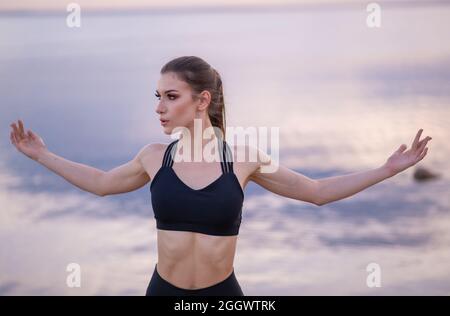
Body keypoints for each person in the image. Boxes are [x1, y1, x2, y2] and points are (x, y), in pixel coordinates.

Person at [9, 56, 432, 296]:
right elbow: (101, 184)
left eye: (171, 97)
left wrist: (386, 170)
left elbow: (317, 191)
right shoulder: (155, 158)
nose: (159, 107)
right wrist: (42, 154)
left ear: (201, 100)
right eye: (157, 97)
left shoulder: (244, 160)